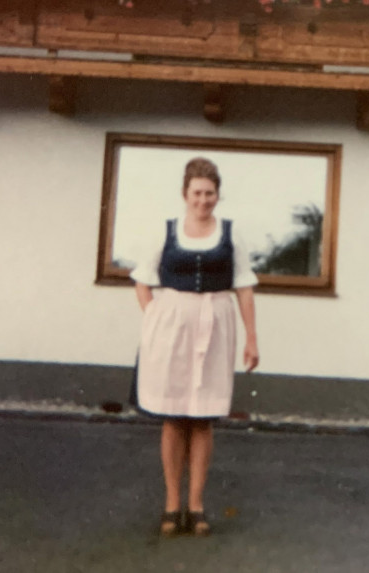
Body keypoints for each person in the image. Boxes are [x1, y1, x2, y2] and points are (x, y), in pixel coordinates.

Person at [129, 157, 259, 537]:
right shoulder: (166, 231)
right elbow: (142, 280)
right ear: (185, 194)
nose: (203, 200)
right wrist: (156, 317)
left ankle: (197, 505)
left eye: (210, 193)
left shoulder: (231, 234)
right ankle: (172, 504)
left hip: (216, 326)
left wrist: (252, 337)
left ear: (218, 195)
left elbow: (244, 287)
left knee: (203, 417)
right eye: (197, 193)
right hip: (172, 328)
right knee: (173, 416)